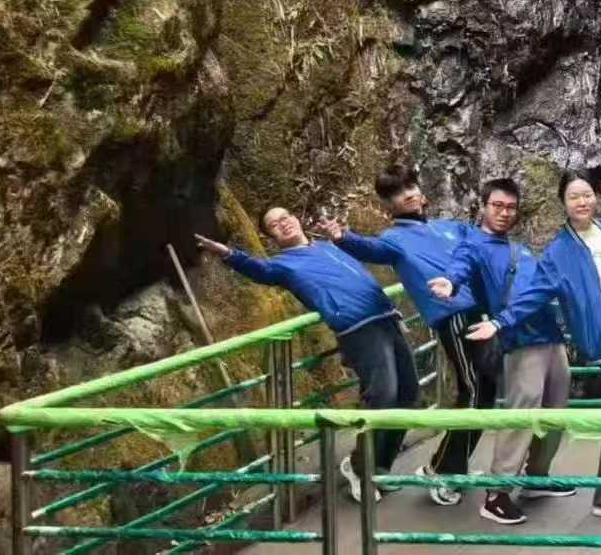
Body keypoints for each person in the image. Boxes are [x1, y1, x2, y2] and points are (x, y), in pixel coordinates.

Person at [467, 170, 601, 521]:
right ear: (563, 203)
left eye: (587, 194)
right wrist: (499, 322)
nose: (582, 201)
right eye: (574, 196)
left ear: (596, 196)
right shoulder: (559, 251)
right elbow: (534, 293)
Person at [195, 207, 417, 504]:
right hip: (358, 329)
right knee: (383, 397)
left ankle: (380, 467)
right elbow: (258, 269)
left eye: (285, 217)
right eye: (274, 225)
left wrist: (342, 236)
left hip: (387, 318)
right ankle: (360, 468)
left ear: (296, 218)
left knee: (408, 394)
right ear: (271, 237)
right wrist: (227, 254)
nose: (283, 224)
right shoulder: (282, 265)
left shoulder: (328, 246)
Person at [320, 164, 491, 509]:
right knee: (474, 390)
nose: (408, 195)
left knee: (485, 391)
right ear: (389, 205)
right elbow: (370, 249)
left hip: (483, 313)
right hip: (453, 315)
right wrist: (343, 238)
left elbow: (483, 249)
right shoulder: (394, 239)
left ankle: (452, 465)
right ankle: (442, 470)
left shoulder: (448, 227)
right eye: (397, 193)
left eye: (410, 186)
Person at [436, 177, 574, 525]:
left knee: (556, 412)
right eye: (497, 205)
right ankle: (496, 494)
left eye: (511, 207)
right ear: (484, 206)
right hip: (519, 340)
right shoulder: (474, 245)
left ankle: (536, 477)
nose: (504, 212)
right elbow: (460, 266)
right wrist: (450, 281)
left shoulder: (520, 248)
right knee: (521, 415)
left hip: (551, 335)